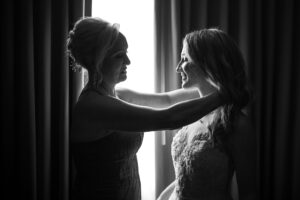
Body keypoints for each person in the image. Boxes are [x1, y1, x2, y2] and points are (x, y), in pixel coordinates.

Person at [67, 17, 226, 200]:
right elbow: (169, 118)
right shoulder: (92, 106)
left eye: (126, 52)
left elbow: (167, 100)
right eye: (119, 56)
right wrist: (224, 95)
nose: (128, 61)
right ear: (97, 61)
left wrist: (212, 85)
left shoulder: (120, 94)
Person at [156, 28, 257, 200]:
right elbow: (184, 177)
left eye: (185, 59)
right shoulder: (192, 113)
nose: (178, 67)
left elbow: (249, 193)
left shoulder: (237, 124)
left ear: (208, 63)